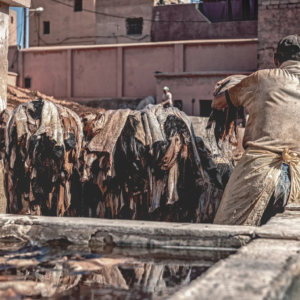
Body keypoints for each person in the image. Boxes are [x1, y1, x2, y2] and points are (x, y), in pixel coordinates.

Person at [211, 35, 300, 226]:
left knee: (227, 233)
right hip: (298, 179)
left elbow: (217, 103)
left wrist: (239, 82)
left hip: (258, 173)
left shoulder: (261, 78)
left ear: (276, 59)